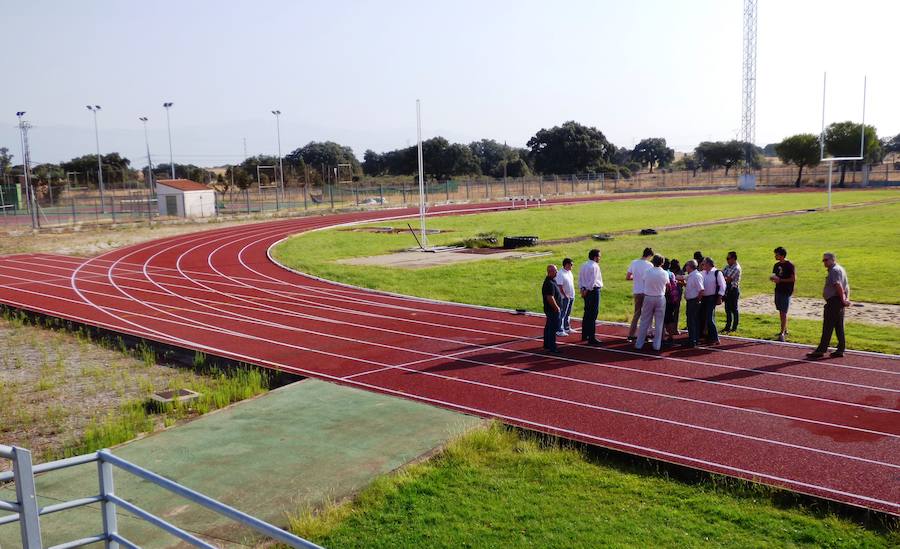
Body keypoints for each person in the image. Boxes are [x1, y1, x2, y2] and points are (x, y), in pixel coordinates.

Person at [807, 253, 850, 359]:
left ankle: (821, 350)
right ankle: (840, 349)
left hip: (834, 302)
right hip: (838, 301)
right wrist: (846, 299)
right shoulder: (840, 269)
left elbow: (838, 285)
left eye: (826, 260)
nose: (824, 262)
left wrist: (844, 299)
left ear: (832, 259)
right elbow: (847, 286)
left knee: (828, 326)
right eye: (823, 260)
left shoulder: (835, 270)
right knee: (839, 326)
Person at [635, 255, 668, 352]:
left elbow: (644, 280)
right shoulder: (664, 273)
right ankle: (657, 345)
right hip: (660, 297)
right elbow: (667, 284)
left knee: (644, 321)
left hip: (649, 297)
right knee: (659, 322)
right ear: (662, 263)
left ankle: (639, 344)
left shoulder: (647, 271)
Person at [626, 247, 654, 341]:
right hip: (646, 292)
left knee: (636, 314)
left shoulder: (634, 262)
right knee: (646, 315)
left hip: (637, 291)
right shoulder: (649, 264)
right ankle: (645, 334)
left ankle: (631, 334)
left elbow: (628, 277)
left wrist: (636, 278)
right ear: (649, 255)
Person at [578, 249, 603, 345]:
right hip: (593, 291)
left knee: (587, 313)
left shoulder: (584, 265)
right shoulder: (595, 266)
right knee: (593, 314)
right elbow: (593, 281)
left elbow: (580, 278)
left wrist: (582, 290)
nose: (600, 258)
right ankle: (591, 337)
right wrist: (587, 290)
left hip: (585, 290)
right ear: (595, 257)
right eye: (599, 256)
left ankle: (585, 334)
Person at [771, 246, 796, 342]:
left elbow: (793, 279)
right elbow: (774, 276)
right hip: (778, 290)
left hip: (786, 291)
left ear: (782, 255)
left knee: (783, 312)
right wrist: (773, 279)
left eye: (776, 254)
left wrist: (780, 280)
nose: (775, 256)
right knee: (780, 311)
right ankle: (785, 329)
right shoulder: (776, 265)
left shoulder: (790, 265)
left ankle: (782, 333)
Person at [700, 257, 726, 345]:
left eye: (703, 263)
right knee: (704, 317)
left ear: (708, 264)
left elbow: (723, 285)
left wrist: (720, 297)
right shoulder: (702, 273)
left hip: (712, 298)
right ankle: (708, 337)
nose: (702, 265)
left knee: (709, 318)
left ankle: (715, 338)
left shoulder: (717, 273)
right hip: (704, 298)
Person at [681, 259, 704, 347]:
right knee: (691, 320)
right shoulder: (692, 275)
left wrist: (698, 300)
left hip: (693, 301)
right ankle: (693, 339)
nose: (685, 267)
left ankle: (693, 340)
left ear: (690, 267)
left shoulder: (696, 276)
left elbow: (701, 290)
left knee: (692, 320)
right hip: (692, 301)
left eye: (686, 265)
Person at [542, 264, 563, 353]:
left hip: (551, 309)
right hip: (552, 310)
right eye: (555, 270)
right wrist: (556, 307)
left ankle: (547, 344)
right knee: (552, 328)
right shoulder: (549, 283)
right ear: (550, 272)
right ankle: (552, 347)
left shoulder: (551, 281)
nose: (557, 272)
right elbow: (550, 297)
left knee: (549, 327)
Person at [722, 251, 742, 333]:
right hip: (727, 290)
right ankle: (727, 326)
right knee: (727, 309)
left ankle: (734, 327)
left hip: (733, 290)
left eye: (728, 258)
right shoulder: (727, 266)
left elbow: (728, 279)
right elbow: (722, 275)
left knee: (734, 309)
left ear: (733, 259)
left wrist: (723, 277)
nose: (727, 260)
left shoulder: (736, 268)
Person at [664, 258, 683, 344]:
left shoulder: (664, 273)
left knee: (663, 317)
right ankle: (672, 333)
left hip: (665, 297)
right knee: (672, 316)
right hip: (674, 298)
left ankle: (663, 334)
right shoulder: (672, 274)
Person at [555, 258, 576, 337]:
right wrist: (564, 295)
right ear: (566, 264)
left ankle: (566, 327)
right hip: (564, 297)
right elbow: (559, 286)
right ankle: (559, 330)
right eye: (571, 264)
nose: (572, 266)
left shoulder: (569, 272)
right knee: (562, 313)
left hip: (571, 296)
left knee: (568, 313)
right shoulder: (560, 273)